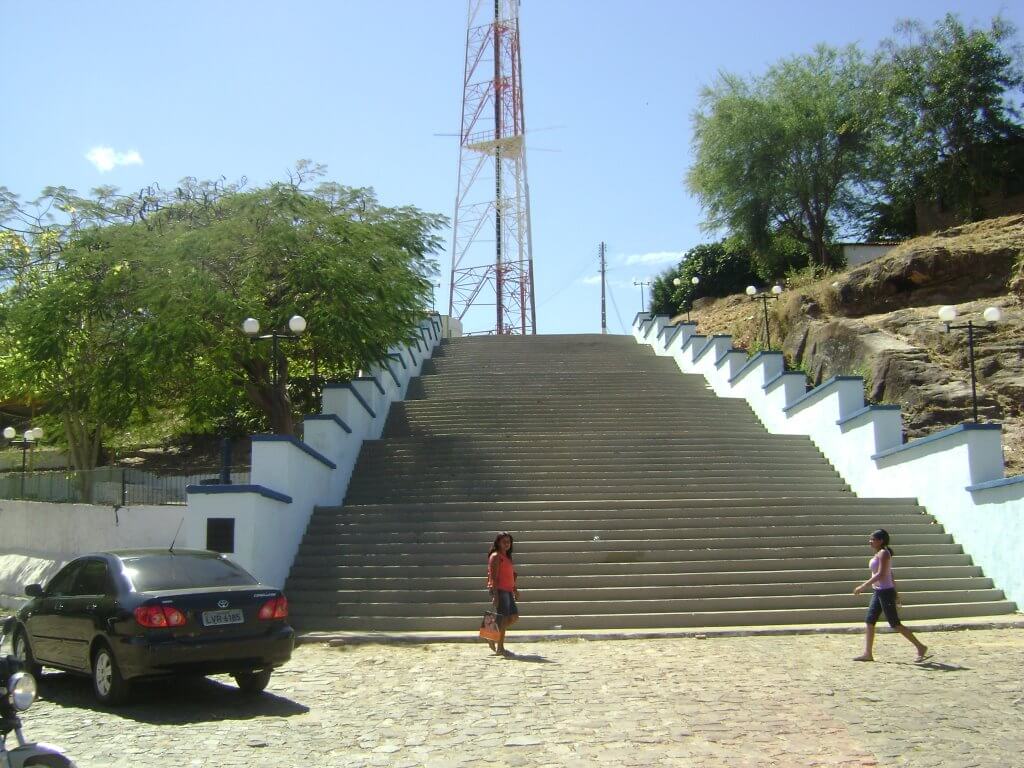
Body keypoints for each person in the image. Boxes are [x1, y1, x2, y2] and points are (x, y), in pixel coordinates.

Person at [853, 529, 931, 663]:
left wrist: (863, 586)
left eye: (873, 539)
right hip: (878, 591)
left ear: (881, 540)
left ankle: (920, 646)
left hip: (885, 592)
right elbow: (890, 573)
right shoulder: (879, 553)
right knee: (870, 621)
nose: (870, 541)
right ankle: (868, 653)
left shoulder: (884, 553)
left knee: (894, 623)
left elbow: (881, 574)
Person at [486, 531, 519, 655]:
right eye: (504, 542)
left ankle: (491, 635)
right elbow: (493, 577)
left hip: (508, 589)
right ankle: (500, 648)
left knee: (513, 617)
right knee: (504, 618)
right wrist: (495, 595)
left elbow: (510, 575)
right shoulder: (496, 556)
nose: (507, 544)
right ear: (498, 543)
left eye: (508, 542)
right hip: (500, 590)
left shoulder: (507, 557)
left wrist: (515, 589)